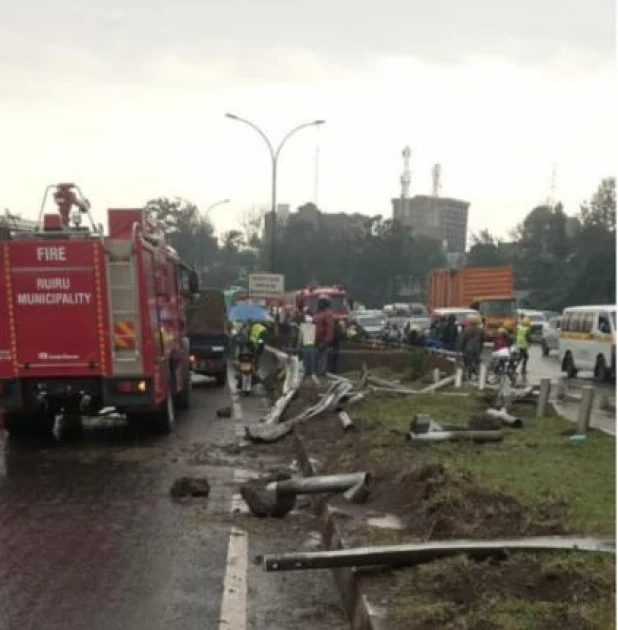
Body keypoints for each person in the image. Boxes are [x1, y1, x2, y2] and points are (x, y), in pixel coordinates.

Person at [314, 295, 335, 376]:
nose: (320, 304)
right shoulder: (318, 313)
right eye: (320, 302)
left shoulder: (328, 313)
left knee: (322, 357)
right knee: (316, 356)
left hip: (323, 339)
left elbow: (330, 328)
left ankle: (321, 373)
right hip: (315, 339)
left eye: (322, 302)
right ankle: (317, 372)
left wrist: (327, 340)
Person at [458, 313, 484, 377]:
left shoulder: (466, 330)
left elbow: (463, 340)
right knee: (476, 361)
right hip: (477, 348)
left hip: (468, 348)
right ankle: (475, 373)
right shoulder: (481, 330)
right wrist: (481, 349)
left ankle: (469, 373)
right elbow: (482, 340)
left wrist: (461, 349)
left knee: (468, 361)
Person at [298, 312, 317, 377]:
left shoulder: (302, 326)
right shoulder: (314, 326)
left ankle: (306, 373)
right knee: (312, 360)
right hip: (312, 345)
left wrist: (299, 343)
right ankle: (312, 373)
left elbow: (300, 336)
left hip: (305, 344)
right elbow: (316, 336)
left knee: (306, 360)